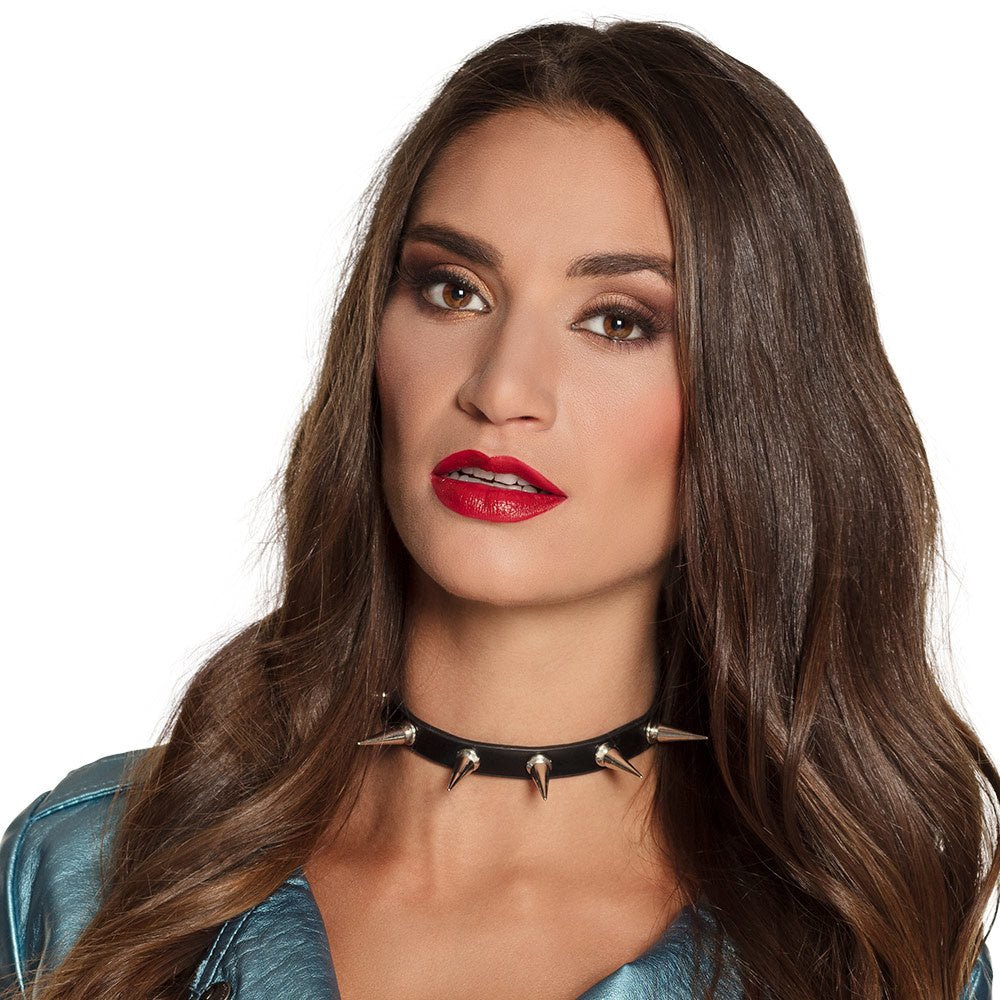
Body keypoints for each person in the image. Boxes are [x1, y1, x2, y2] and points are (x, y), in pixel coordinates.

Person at [1, 17, 996, 1000]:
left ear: (760, 396)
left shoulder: (865, 949)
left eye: (617, 321)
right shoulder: (87, 873)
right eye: (454, 291)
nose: (501, 386)